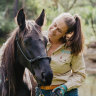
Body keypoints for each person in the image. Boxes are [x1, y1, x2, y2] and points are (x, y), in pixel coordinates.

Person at [35, 13, 86, 96]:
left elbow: (80, 75)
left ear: (66, 34)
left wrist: (64, 87)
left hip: (66, 93)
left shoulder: (73, 48)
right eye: (54, 24)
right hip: (42, 92)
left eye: (59, 30)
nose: (53, 30)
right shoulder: (37, 39)